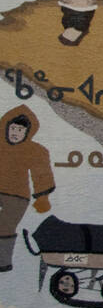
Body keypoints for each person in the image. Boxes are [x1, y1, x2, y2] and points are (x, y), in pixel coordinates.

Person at [0, 106, 54, 270]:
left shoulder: (34, 150)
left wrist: (42, 197)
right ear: (6, 127)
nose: (15, 132)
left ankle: (2, 262)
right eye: (13, 128)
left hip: (17, 195)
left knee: (6, 226)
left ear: (28, 132)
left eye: (20, 130)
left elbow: (41, 173)